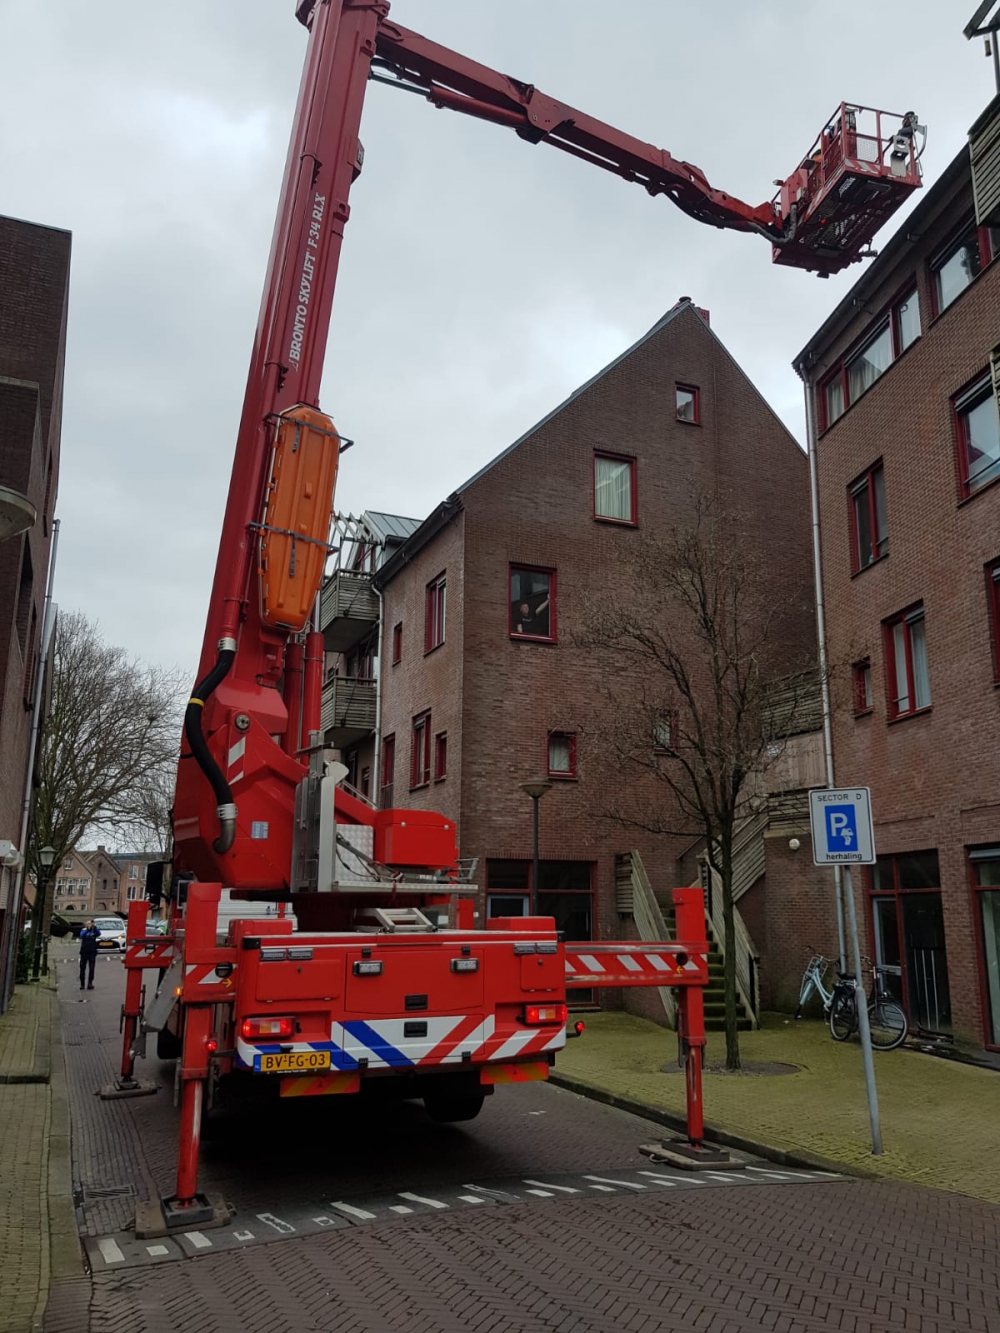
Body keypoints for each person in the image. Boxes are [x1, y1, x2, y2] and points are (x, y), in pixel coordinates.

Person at [79, 920, 101, 991]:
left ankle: (90, 983)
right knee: (82, 968)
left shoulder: (94, 930)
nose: (89, 925)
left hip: (92, 952)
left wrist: (94, 927)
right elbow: (81, 935)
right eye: (88, 924)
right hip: (84, 952)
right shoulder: (84, 930)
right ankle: (82, 984)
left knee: (91, 969)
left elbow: (99, 933)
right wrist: (87, 929)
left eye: (90, 924)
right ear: (86, 924)